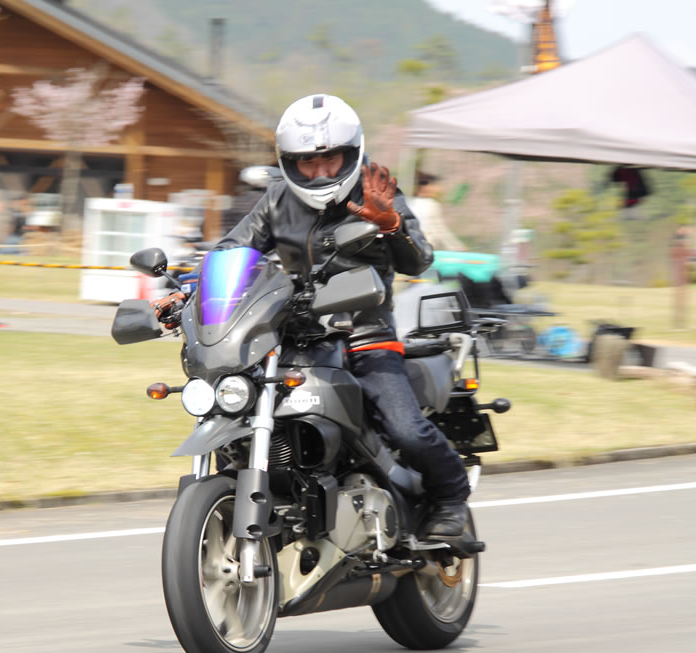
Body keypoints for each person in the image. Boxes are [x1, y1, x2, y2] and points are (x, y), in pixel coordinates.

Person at [153, 94, 471, 540]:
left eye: (330, 159)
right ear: (289, 161)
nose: (320, 171)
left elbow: (419, 261)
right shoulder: (278, 198)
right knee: (236, 411)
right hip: (291, 335)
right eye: (307, 161)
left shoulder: (375, 189)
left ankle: (450, 496)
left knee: (405, 428)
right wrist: (190, 289)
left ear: (350, 154)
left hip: (365, 335)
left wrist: (392, 226)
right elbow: (230, 251)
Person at [408, 172, 466, 252]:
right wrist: (456, 247)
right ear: (425, 187)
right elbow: (439, 229)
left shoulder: (409, 202)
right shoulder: (430, 204)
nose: (439, 189)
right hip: (423, 248)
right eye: (434, 185)